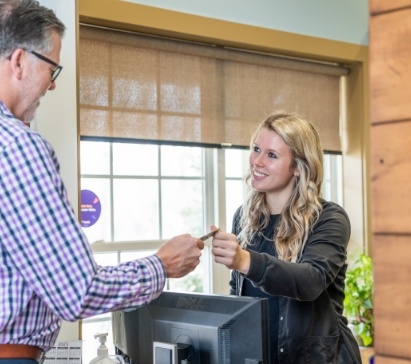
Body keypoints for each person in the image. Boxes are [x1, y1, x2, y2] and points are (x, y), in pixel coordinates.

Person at [0, 1, 204, 362]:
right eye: (52, 69)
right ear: (18, 61)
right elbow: (77, 291)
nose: (52, 86)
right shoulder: (17, 145)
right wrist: (161, 265)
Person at [211, 112, 362, 363]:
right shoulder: (244, 217)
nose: (257, 161)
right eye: (256, 149)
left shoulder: (329, 218)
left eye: (271, 155)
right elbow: (240, 291)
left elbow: (310, 280)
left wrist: (245, 260)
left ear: (297, 167)